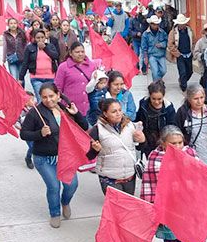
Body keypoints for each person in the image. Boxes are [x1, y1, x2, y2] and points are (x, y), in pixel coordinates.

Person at [140, 125, 198, 242]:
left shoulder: (191, 154)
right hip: (169, 215)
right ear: (163, 144)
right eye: (173, 143)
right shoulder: (154, 159)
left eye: (180, 142)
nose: (178, 146)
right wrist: (152, 214)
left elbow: (202, 179)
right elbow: (149, 187)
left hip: (188, 213)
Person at [19, 83, 88, 228]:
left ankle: (65, 202)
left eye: (51, 96)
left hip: (66, 157)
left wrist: (76, 114)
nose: (48, 100)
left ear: (58, 95)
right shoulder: (35, 113)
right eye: (44, 97)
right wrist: (39, 133)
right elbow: (24, 134)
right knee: (53, 187)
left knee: (72, 185)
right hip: (44, 159)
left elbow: (84, 127)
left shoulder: (65, 109)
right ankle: (55, 213)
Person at [87, 98, 145, 196]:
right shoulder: (97, 130)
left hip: (129, 176)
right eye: (114, 111)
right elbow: (89, 156)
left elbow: (139, 148)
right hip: (109, 178)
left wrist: (142, 140)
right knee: (117, 207)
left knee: (128, 206)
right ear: (105, 114)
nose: (118, 113)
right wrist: (95, 150)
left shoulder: (130, 125)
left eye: (119, 110)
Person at [54, 41, 102, 116]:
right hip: (70, 108)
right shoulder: (63, 67)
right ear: (70, 53)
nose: (80, 54)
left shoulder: (92, 66)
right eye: (77, 52)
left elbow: (95, 85)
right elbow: (57, 87)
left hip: (88, 108)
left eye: (82, 52)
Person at [135, 80, 176, 157]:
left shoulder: (168, 108)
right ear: (149, 96)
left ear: (163, 96)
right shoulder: (143, 104)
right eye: (153, 99)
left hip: (161, 140)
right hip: (146, 139)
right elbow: (138, 118)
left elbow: (172, 126)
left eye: (159, 99)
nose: (156, 102)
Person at [19, 28, 58, 101]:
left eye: (42, 37)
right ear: (34, 38)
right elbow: (25, 63)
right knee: (41, 99)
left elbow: (55, 56)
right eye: (38, 38)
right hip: (36, 77)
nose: (40, 40)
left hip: (50, 77)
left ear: (45, 37)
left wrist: (45, 48)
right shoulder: (30, 48)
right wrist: (21, 78)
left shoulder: (50, 46)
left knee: (50, 100)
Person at [167, 14, 195, 92]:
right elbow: (170, 44)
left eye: (183, 23)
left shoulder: (190, 30)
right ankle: (183, 87)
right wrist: (177, 53)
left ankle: (183, 80)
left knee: (190, 71)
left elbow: (193, 41)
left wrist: (192, 50)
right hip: (180, 55)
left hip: (189, 54)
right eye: (180, 23)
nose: (182, 25)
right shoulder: (173, 32)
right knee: (182, 72)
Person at [141, 15, 168, 81]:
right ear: (150, 24)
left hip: (161, 55)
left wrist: (161, 44)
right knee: (155, 72)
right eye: (154, 24)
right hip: (152, 55)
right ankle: (156, 85)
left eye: (157, 24)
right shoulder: (145, 34)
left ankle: (158, 80)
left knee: (164, 70)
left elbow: (167, 41)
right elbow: (144, 47)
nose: (155, 26)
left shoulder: (162, 32)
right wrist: (145, 57)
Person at [15, 91, 36, 169]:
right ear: (25, 102)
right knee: (32, 147)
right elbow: (16, 122)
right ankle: (28, 158)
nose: (34, 101)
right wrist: (21, 128)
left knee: (36, 145)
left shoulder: (35, 109)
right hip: (27, 133)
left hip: (35, 131)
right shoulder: (21, 111)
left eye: (33, 99)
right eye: (32, 100)